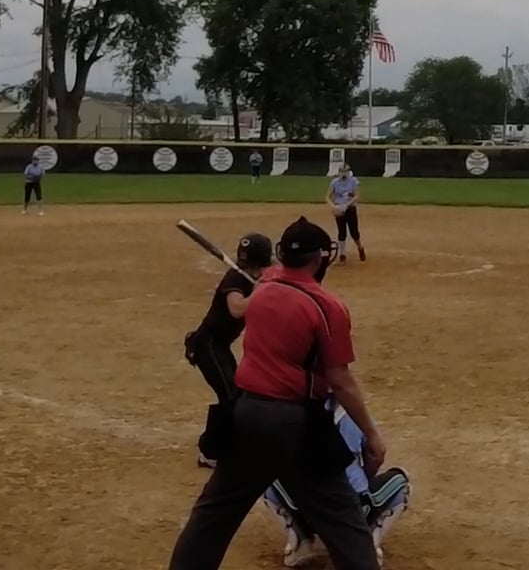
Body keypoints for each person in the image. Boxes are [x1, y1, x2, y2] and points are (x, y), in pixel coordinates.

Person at [167, 217, 386, 570]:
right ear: (319, 258)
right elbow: (340, 380)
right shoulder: (327, 306)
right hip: (298, 423)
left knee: (213, 516)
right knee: (343, 521)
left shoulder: (264, 287)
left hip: (246, 414)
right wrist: (371, 435)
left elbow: (265, 286)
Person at [262, 402, 411, 566]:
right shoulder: (355, 416)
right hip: (353, 512)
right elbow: (376, 456)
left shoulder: (296, 414)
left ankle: (300, 539)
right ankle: (367, 546)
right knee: (401, 481)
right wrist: (362, 477)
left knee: (269, 474)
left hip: (307, 509)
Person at [186, 232, 272, 467]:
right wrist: (260, 291)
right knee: (230, 395)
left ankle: (229, 442)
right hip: (207, 345)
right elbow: (237, 309)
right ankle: (209, 452)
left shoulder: (254, 277)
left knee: (238, 393)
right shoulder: (236, 278)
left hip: (220, 346)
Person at [328, 164, 365, 263]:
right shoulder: (334, 183)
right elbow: (327, 197)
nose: (343, 174)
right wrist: (333, 206)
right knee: (342, 232)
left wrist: (346, 205)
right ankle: (342, 254)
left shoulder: (353, 181)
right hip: (339, 209)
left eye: (345, 172)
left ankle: (360, 248)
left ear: (349, 172)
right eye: (342, 171)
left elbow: (357, 196)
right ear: (338, 172)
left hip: (350, 208)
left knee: (354, 232)